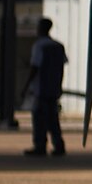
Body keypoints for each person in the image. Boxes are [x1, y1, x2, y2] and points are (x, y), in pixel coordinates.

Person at [21, 17, 68, 157]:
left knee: (39, 118)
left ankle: (40, 145)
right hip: (53, 88)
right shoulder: (58, 46)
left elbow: (35, 68)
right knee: (53, 119)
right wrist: (59, 85)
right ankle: (59, 145)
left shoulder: (39, 46)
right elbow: (61, 68)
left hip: (41, 89)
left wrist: (26, 87)